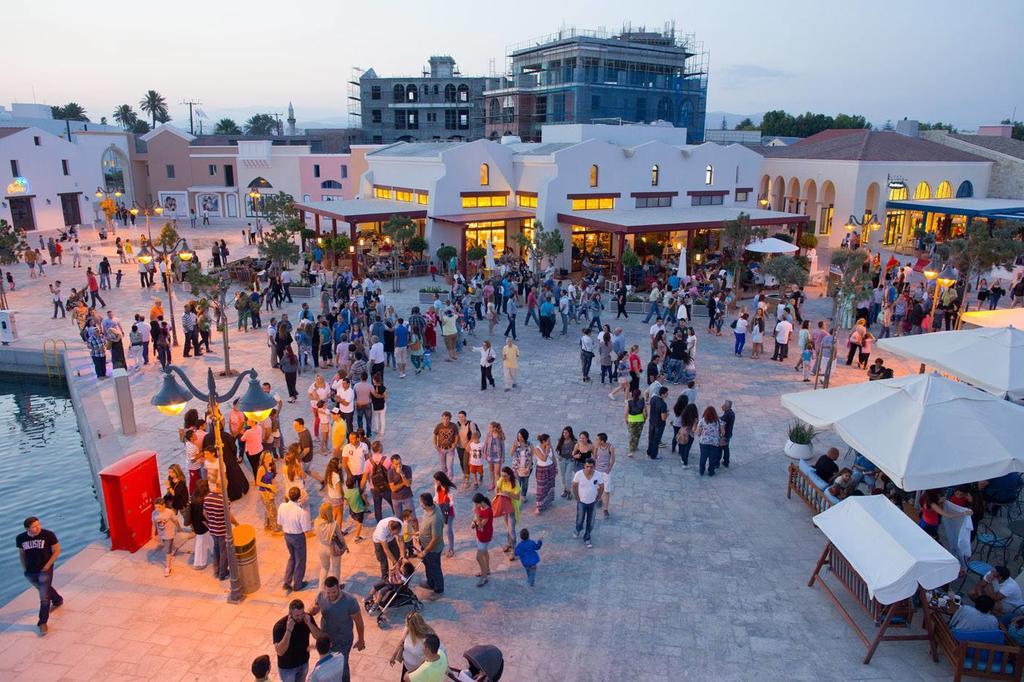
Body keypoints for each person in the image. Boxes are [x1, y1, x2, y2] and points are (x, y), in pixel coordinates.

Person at [311, 576, 365, 682]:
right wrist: (313, 609)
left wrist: (361, 640)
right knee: (327, 666)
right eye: (328, 593)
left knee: (342, 667)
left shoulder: (350, 601)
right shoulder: (321, 596)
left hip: (343, 642)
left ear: (339, 588)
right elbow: (314, 608)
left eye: (334, 592)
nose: (331, 595)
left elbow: (359, 622)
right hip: (326, 641)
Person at [16, 516, 63, 635]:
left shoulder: (48, 535)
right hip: (30, 571)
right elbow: (22, 554)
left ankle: (42, 622)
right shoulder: (21, 538)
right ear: (27, 528)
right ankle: (57, 600)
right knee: (44, 589)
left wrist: (48, 566)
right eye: (34, 526)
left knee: (44, 597)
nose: (38, 527)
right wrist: (24, 568)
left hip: (45, 569)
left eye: (39, 524)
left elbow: (57, 550)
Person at [273, 599, 324, 682]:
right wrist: (288, 631)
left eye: (302, 613)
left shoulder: (307, 618)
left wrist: (309, 624)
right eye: (297, 615)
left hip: (303, 663)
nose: (300, 617)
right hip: (287, 668)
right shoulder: (279, 627)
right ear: (290, 614)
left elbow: (319, 637)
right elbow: (280, 651)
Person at [280, 487, 313, 592]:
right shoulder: (301, 512)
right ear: (299, 497)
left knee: (292, 557)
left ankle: (287, 581)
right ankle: (298, 584)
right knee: (300, 560)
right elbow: (306, 529)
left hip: (287, 535)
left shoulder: (282, 506)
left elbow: (279, 522)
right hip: (298, 537)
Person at [389, 613, 440, 677]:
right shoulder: (407, 629)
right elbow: (401, 641)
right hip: (406, 666)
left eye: (408, 626)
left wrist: (411, 673)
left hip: (418, 671)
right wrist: (393, 656)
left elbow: (431, 658)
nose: (406, 627)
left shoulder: (428, 639)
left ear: (415, 627)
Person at [572, 459, 605, 549]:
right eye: (587, 467)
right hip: (581, 502)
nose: (589, 469)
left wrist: (598, 497)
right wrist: (577, 497)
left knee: (591, 522)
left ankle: (587, 537)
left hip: (592, 503)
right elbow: (574, 485)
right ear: (584, 466)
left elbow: (602, 487)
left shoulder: (598, 475)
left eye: (591, 467)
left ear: (594, 467)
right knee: (580, 519)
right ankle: (578, 529)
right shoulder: (578, 474)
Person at [418, 493, 445, 597]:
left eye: (421, 503)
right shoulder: (431, 508)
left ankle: (438, 588)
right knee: (429, 566)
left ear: (426, 505)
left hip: (432, 550)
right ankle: (430, 582)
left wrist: (424, 552)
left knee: (435, 568)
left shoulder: (435, 519)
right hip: (426, 547)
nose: (420, 504)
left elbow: (435, 538)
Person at [314, 502, 345, 588]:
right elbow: (340, 537)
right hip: (333, 548)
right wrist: (344, 546)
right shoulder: (334, 525)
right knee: (335, 569)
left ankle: (321, 589)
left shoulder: (316, 522)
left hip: (321, 547)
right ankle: (336, 588)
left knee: (324, 568)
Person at [493, 467, 521, 553]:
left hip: (512, 508)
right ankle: (509, 544)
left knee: (511, 529)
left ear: (509, 475)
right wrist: (498, 491)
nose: (503, 477)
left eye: (505, 476)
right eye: (502, 475)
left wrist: (508, 494)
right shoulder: (502, 479)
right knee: (508, 528)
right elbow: (496, 490)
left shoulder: (515, 483)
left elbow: (517, 497)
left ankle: (513, 549)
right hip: (504, 507)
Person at [151, 496, 181, 577]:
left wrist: (179, 528)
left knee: (167, 550)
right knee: (166, 545)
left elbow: (175, 521)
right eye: (155, 507)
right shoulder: (154, 513)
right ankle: (173, 548)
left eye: (159, 507)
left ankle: (168, 567)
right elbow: (153, 524)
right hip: (161, 534)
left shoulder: (170, 512)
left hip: (169, 534)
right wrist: (152, 534)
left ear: (163, 505)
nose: (157, 509)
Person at [695, 405, 724, 477]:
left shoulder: (702, 421)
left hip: (704, 442)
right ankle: (711, 472)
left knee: (703, 457)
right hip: (714, 442)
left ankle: (701, 471)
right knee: (712, 458)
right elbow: (723, 433)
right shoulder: (719, 421)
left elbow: (698, 433)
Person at [433, 412, 459, 480]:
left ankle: (450, 479)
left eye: (447, 419)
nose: (445, 420)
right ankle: (445, 477)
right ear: (442, 418)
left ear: (450, 419)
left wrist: (455, 444)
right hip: (441, 450)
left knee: (449, 466)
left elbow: (456, 436)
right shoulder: (439, 426)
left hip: (450, 449)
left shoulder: (453, 426)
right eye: (444, 419)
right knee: (443, 466)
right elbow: (435, 435)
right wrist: (435, 445)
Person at [720, 400, 735, 468]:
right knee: (726, 448)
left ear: (727, 407)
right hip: (728, 433)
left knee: (721, 448)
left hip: (725, 435)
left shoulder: (727, 414)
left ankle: (724, 462)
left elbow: (721, 420)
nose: (722, 406)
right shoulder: (731, 412)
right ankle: (726, 461)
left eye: (724, 405)